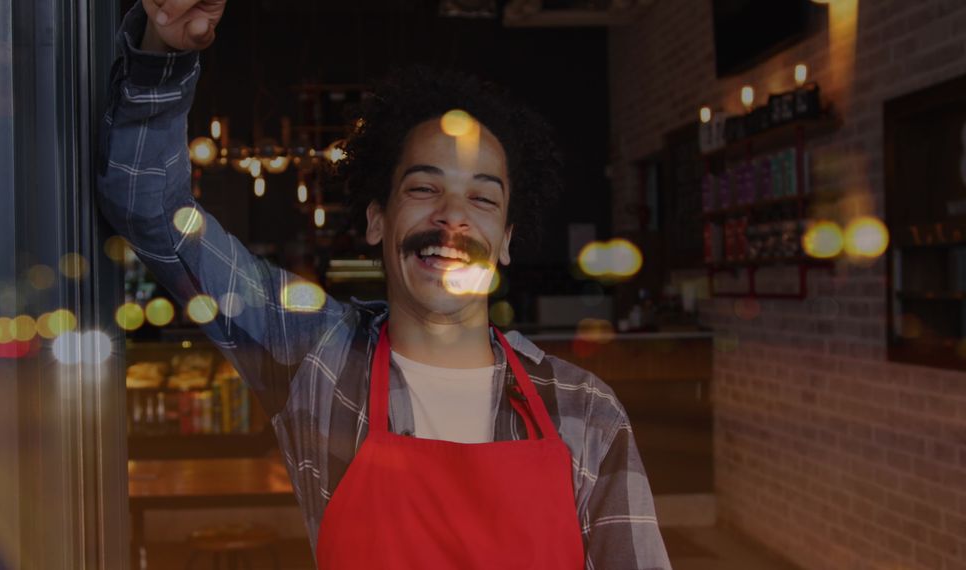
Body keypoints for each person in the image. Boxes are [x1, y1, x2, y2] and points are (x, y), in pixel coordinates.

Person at [98, 0, 672, 568]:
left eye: (482, 198)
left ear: (505, 240)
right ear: (377, 219)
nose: (453, 218)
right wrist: (163, 52)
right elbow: (149, 208)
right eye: (424, 189)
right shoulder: (316, 359)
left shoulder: (584, 411)